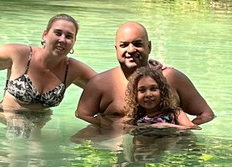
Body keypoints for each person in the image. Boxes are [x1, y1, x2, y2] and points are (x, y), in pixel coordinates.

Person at [75, 21, 214, 126]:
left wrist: (179, 133)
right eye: (124, 45)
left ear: (149, 47)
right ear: (116, 49)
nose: (131, 49)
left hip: (166, 149)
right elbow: (82, 115)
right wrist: (109, 127)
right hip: (118, 146)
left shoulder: (171, 78)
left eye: (137, 44)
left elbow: (206, 114)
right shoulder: (100, 83)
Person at [122, 66, 198, 130]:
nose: (148, 94)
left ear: (162, 91)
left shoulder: (174, 113)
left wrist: (166, 126)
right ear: (135, 95)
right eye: (142, 90)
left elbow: (193, 128)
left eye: (153, 89)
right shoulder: (135, 117)